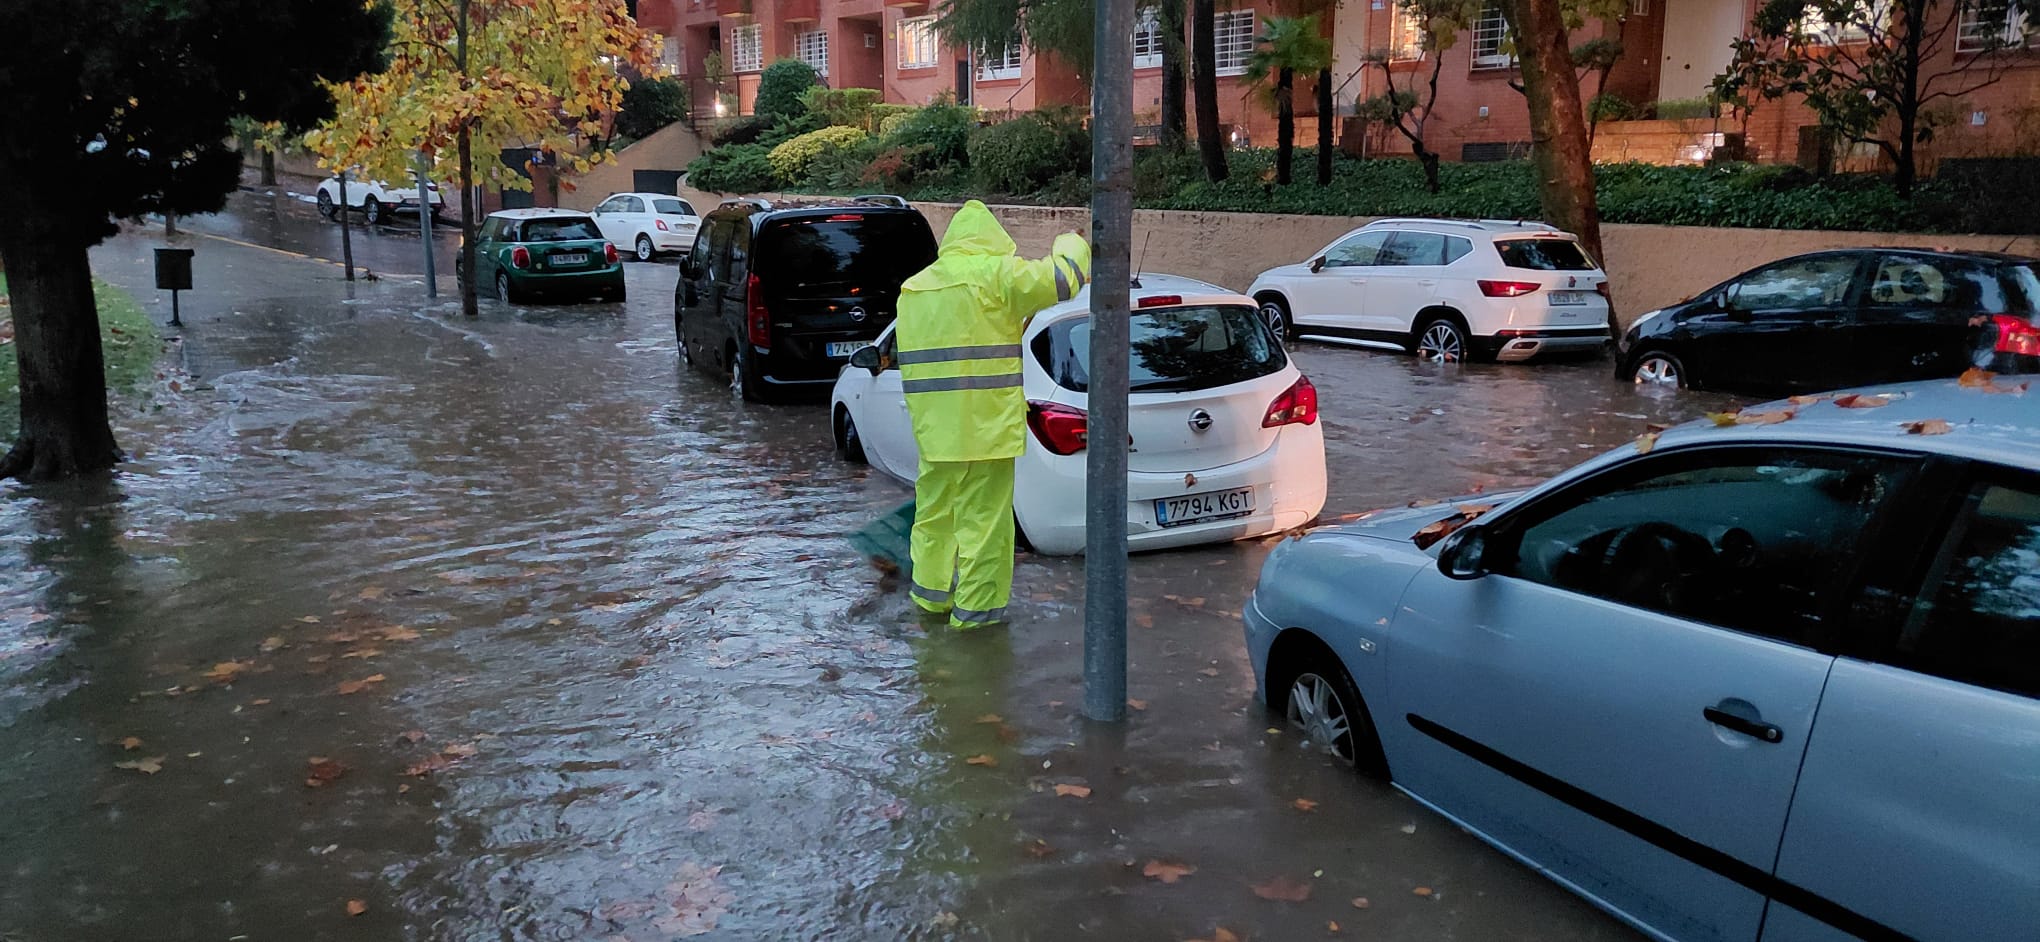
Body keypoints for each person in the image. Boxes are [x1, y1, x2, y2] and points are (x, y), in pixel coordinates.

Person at [896, 201, 1092, 630]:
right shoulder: (997, 276)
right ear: (993, 241)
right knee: (984, 525)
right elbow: (1063, 278)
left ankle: (930, 602)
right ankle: (977, 621)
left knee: (935, 517)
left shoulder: (914, 289)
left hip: (936, 432)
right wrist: (1072, 238)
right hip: (986, 430)